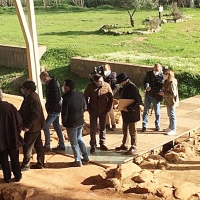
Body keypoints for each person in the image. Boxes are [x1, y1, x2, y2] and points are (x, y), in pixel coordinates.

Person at [61, 79, 89, 167]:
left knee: (74, 142)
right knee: (79, 138)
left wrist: (64, 123)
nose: (63, 87)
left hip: (71, 123)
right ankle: (86, 157)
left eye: (64, 86)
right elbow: (85, 107)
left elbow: (64, 113)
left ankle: (78, 161)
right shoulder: (80, 95)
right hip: (80, 121)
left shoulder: (66, 98)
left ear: (68, 87)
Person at [19, 80, 45, 170]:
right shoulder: (31, 96)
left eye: (24, 88)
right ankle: (40, 163)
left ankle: (26, 165)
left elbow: (35, 114)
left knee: (27, 146)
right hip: (36, 126)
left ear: (28, 89)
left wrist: (28, 126)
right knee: (38, 145)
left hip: (33, 127)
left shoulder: (32, 98)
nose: (22, 90)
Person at [84, 74, 113, 153]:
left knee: (103, 127)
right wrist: (88, 108)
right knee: (93, 128)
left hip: (103, 110)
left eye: (102, 81)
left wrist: (108, 108)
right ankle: (93, 144)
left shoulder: (107, 85)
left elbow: (111, 97)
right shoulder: (90, 87)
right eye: (99, 82)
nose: (101, 83)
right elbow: (85, 97)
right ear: (95, 82)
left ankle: (102, 143)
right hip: (93, 110)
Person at [115, 73, 143, 154]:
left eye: (120, 82)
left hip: (132, 112)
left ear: (124, 81)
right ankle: (124, 144)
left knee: (132, 130)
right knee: (125, 129)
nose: (119, 84)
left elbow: (138, 101)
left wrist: (129, 108)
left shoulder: (132, 87)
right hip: (125, 112)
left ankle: (134, 146)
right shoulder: (122, 88)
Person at [0, 89, 23, 183]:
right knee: (14, 158)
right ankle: (18, 176)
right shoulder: (9, 107)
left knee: (3, 159)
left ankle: (7, 177)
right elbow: (19, 121)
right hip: (12, 137)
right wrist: (18, 131)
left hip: (0, 140)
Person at [40, 71, 65, 151]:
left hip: (54, 110)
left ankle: (47, 145)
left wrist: (51, 109)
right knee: (56, 126)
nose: (42, 81)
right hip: (55, 109)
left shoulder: (52, 85)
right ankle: (62, 144)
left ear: (45, 78)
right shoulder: (52, 84)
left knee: (45, 126)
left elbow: (55, 99)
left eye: (42, 79)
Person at [142, 63, 164, 132]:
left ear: (160, 68)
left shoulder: (161, 76)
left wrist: (152, 88)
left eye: (158, 68)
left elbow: (160, 85)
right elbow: (145, 81)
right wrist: (146, 86)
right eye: (155, 67)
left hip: (156, 96)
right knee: (146, 111)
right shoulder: (149, 73)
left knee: (157, 112)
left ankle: (157, 125)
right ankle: (144, 125)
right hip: (148, 95)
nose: (157, 69)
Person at [161, 69, 179, 135]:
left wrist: (164, 94)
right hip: (168, 101)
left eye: (165, 74)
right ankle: (170, 127)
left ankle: (173, 129)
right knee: (169, 114)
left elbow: (173, 94)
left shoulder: (172, 82)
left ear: (169, 75)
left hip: (172, 101)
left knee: (172, 115)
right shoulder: (166, 81)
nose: (164, 75)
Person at [103, 63, 118, 131]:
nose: (104, 69)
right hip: (103, 95)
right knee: (105, 110)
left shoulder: (113, 75)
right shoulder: (102, 75)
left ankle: (113, 123)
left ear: (109, 68)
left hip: (109, 95)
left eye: (105, 67)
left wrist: (112, 93)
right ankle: (107, 124)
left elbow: (115, 86)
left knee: (110, 110)